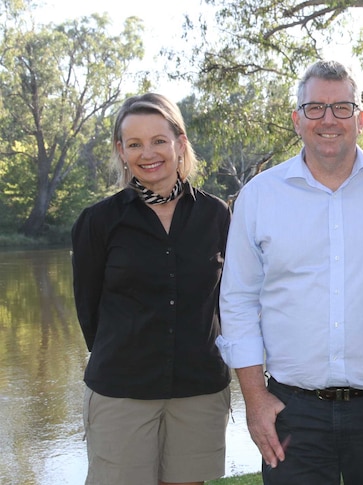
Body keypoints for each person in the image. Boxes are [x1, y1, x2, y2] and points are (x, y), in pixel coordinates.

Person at [217, 59, 363, 485]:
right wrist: (254, 397)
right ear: (297, 119)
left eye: (341, 108)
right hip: (292, 411)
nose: (328, 120)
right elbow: (238, 300)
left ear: (361, 118)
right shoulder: (259, 197)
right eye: (315, 108)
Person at [71, 93, 232, 485]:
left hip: (198, 388)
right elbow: (88, 311)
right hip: (122, 390)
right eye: (135, 143)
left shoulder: (216, 215)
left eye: (159, 140)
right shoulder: (99, 221)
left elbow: (228, 301)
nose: (148, 153)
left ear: (180, 141)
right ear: (121, 151)